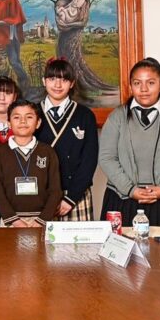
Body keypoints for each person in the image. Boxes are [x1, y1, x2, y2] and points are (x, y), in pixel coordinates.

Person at [99, 57, 160, 231]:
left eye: (150, 83)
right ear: (131, 86)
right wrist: (130, 189)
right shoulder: (117, 117)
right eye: (137, 83)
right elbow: (107, 158)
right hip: (122, 201)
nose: (144, 89)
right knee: (122, 249)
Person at [35, 58, 99, 221]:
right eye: (52, 78)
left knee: (79, 239)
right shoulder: (32, 113)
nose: (58, 85)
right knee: (40, 238)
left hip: (76, 194)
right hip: (42, 194)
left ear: (72, 83)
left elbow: (89, 159)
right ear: (44, 81)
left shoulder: (85, 115)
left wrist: (71, 198)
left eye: (64, 79)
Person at [0, 99, 62, 227]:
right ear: (9, 123)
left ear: (38, 123)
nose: (23, 121)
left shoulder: (48, 152)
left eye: (29, 117)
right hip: (11, 221)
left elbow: (55, 190)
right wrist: (14, 220)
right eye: (17, 117)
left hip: (43, 220)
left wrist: (42, 220)